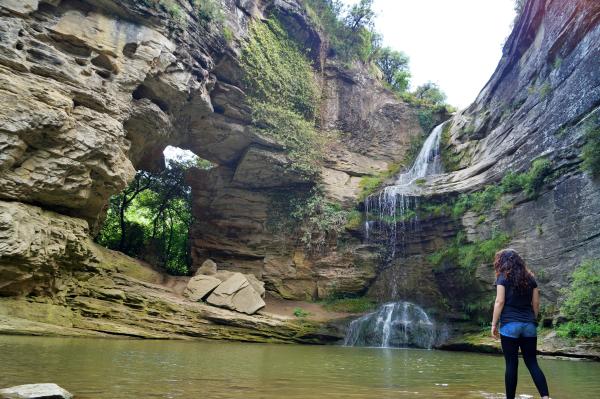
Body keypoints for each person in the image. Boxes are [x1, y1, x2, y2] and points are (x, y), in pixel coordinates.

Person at [491, 248, 549, 399]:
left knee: (511, 364)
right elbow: (536, 303)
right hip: (529, 324)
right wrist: (532, 319)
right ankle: (545, 396)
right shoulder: (530, 278)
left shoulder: (502, 278)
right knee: (532, 363)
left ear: (502, 262)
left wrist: (493, 324)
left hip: (510, 325)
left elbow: (499, 301)